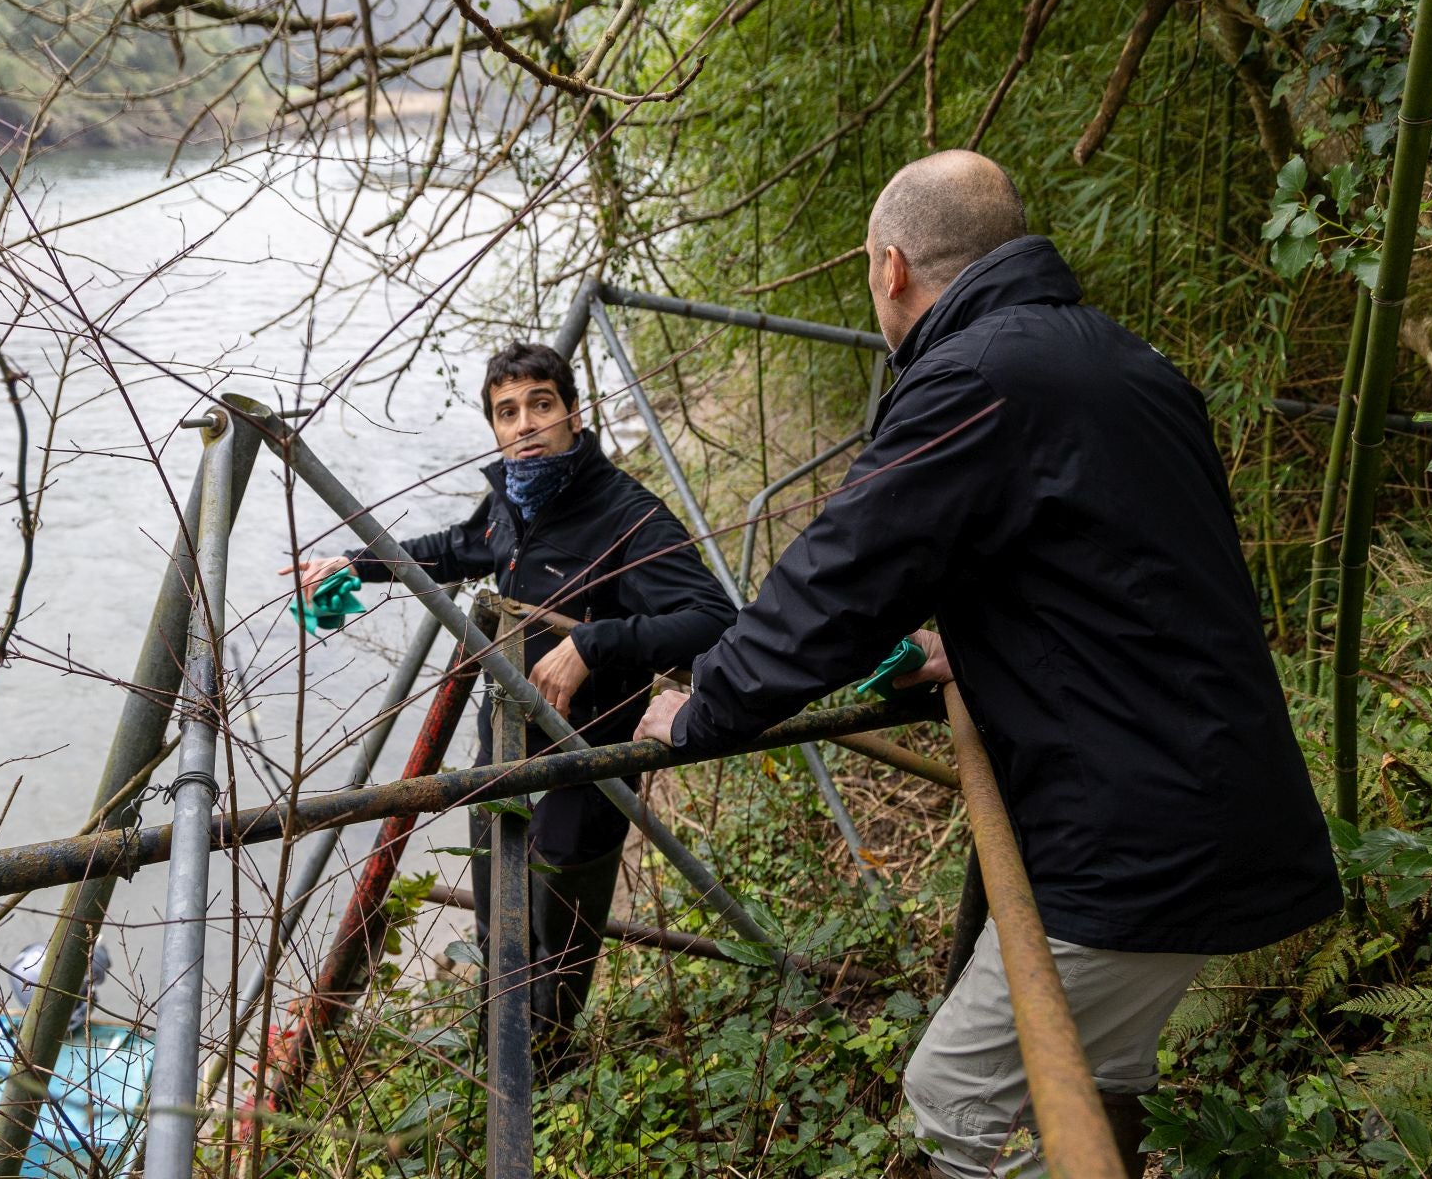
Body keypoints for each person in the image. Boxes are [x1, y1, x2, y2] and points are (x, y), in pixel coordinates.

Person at [634, 150, 1341, 1177]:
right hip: (1211, 796)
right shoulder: (1123, 361)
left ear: (892, 269)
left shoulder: (978, 376)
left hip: (1137, 833)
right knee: (1096, 1085)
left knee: (953, 1095)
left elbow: (841, 576)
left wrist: (700, 710)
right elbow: (1117, 573)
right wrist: (960, 642)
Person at [285, 341, 737, 1063]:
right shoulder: (514, 498)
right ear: (494, 426)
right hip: (505, 738)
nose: (524, 425)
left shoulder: (626, 513)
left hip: (585, 756)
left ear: (573, 413)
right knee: (499, 897)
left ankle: (549, 1063)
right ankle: (501, 1037)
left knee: (558, 920)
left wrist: (597, 642)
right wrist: (357, 564)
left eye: (540, 405)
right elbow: (461, 546)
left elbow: (715, 618)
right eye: (507, 412)